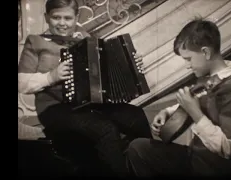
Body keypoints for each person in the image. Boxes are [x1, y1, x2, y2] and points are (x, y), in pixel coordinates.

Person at [18, 0, 152, 177]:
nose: (62, 23)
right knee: (105, 129)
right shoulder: (36, 42)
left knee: (136, 116)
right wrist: (51, 77)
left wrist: (132, 65)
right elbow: (22, 83)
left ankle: (146, 168)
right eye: (56, 17)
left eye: (68, 18)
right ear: (46, 18)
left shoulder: (85, 38)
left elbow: (105, 68)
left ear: (76, 18)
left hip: (88, 105)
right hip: (54, 109)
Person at [125, 18, 231, 177]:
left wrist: (195, 113)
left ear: (206, 52)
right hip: (199, 156)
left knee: (138, 151)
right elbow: (198, 99)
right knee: (138, 147)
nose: (187, 65)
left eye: (188, 59)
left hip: (217, 168)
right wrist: (166, 112)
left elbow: (228, 148)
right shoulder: (211, 77)